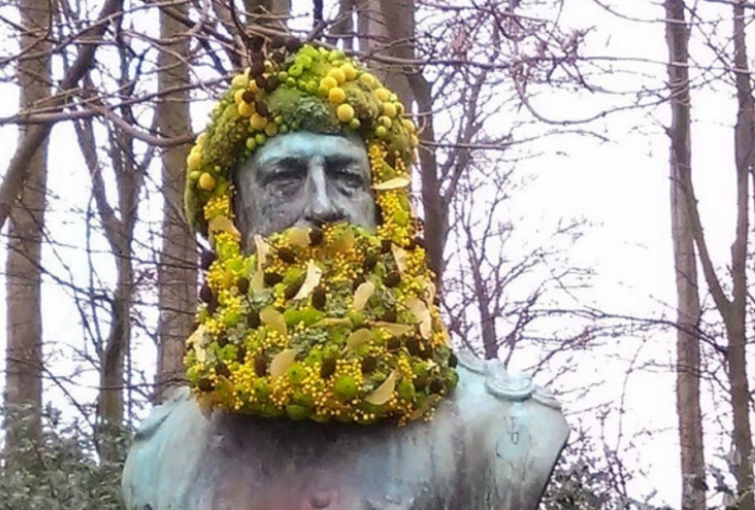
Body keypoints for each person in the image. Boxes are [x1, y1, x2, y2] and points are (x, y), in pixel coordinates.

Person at [122, 42, 568, 510]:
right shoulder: (162, 453)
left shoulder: (499, 426)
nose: (322, 207)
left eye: (347, 176)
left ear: (382, 206)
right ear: (234, 217)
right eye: (285, 178)